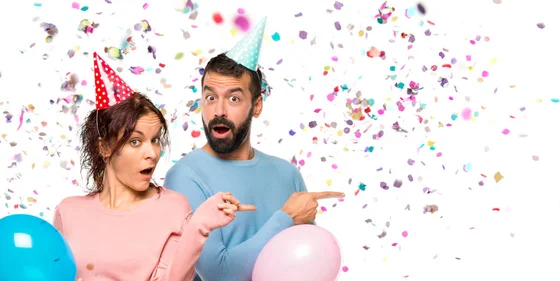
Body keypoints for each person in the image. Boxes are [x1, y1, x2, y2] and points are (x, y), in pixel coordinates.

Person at [163, 18, 345, 281]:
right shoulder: (184, 176)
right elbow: (218, 273)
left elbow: (306, 264)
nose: (219, 111)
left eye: (234, 98)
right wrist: (286, 217)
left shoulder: (287, 174)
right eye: (211, 97)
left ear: (257, 106)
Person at [52, 52, 255, 281]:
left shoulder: (173, 208)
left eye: (155, 140)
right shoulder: (67, 212)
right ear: (105, 148)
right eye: (135, 142)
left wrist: (199, 225)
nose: (152, 154)